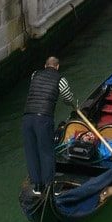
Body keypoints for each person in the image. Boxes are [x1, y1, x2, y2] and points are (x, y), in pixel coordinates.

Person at [22, 55, 75, 195]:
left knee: (31, 152)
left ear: (45, 66)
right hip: (43, 118)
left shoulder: (35, 74)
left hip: (27, 117)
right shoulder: (61, 79)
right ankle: (49, 186)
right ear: (57, 67)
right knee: (46, 152)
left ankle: (37, 186)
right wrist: (72, 104)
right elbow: (67, 97)